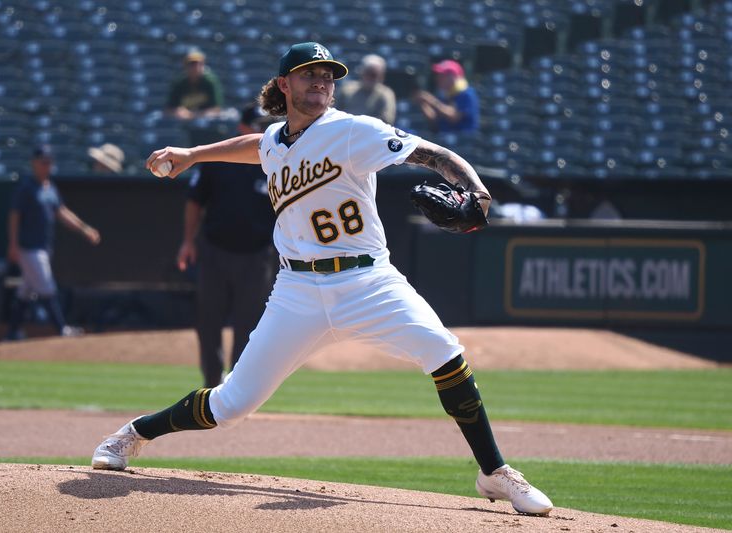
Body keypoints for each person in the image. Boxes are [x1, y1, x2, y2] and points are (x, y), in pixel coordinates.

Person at [92, 42, 553, 517]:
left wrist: (476, 192)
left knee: (444, 352)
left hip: (369, 282)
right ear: (284, 84)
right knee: (231, 405)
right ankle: (135, 433)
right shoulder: (274, 140)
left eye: (328, 75)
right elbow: (258, 146)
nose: (321, 82)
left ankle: (494, 473)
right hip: (297, 292)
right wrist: (194, 153)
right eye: (309, 73)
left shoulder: (353, 130)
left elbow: (433, 154)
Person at [177, 102, 277, 387]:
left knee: (248, 326)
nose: (261, 130)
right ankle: (211, 383)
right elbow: (194, 201)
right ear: (242, 128)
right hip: (215, 251)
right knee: (209, 322)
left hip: (256, 255)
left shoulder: (274, 161)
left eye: (264, 125)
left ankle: (236, 386)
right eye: (255, 125)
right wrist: (187, 241)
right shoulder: (219, 161)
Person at [5, 145, 101, 340]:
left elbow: (62, 213)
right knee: (47, 287)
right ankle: (61, 328)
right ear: (34, 163)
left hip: (43, 246)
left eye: (49, 162)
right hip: (28, 247)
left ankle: (12, 333)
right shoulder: (26, 187)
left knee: (26, 290)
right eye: (43, 162)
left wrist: (85, 228)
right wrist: (13, 244)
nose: (46, 166)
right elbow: (14, 216)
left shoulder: (50, 188)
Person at [414, 59, 479, 133]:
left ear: (453, 76)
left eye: (443, 75)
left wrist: (430, 100)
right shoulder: (444, 94)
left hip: (464, 141)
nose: (438, 78)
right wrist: (423, 103)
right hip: (444, 139)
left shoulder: (467, 93)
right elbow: (434, 120)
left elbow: (454, 117)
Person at [336, 54, 396, 124]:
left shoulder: (386, 94)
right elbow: (334, 113)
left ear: (381, 76)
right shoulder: (346, 90)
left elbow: (387, 120)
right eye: (367, 73)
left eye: (374, 75)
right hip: (345, 129)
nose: (370, 77)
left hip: (371, 132)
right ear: (361, 72)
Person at [166, 48, 224, 121]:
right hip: (183, 122)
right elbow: (169, 109)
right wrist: (178, 111)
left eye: (198, 64)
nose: (195, 67)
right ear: (185, 66)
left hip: (206, 120)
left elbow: (217, 109)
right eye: (192, 64)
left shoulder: (210, 82)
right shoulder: (179, 83)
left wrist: (195, 114)